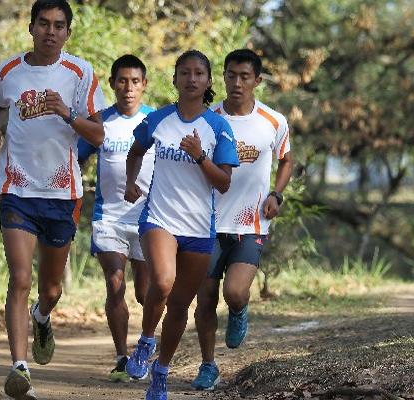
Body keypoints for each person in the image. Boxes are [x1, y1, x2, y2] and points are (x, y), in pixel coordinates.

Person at [0, 1, 106, 398]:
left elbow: (98, 135)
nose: (50, 32)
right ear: (31, 27)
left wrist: (67, 114)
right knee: (19, 278)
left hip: (61, 193)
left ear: (68, 32)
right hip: (17, 189)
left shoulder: (80, 72)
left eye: (58, 25)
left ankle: (42, 315)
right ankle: (19, 368)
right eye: (43, 24)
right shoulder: (7, 72)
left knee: (50, 289)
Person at [124, 50, 239, 400]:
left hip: (199, 229)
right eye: (184, 73)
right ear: (174, 79)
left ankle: (161, 371)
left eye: (199, 73)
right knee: (161, 281)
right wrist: (131, 183)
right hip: (159, 218)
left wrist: (200, 156)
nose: (191, 79)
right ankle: (145, 341)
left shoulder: (218, 127)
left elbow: (223, 182)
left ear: (208, 82)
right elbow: (135, 150)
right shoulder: (159, 119)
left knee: (179, 308)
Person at [191, 49, 293, 391]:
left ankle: (238, 309)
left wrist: (276, 194)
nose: (237, 83)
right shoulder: (208, 119)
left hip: (251, 225)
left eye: (245, 77)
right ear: (223, 77)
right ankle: (208, 365)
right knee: (204, 299)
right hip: (207, 223)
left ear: (257, 81)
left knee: (234, 292)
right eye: (231, 75)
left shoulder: (273, 121)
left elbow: (287, 160)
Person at [77, 54, 153, 382]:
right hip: (108, 218)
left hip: (149, 220)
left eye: (135, 81)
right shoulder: (100, 123)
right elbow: (75, 158)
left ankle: (147, 344)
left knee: (145, 293)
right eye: (122, 81)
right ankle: (122, 356)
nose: (128, 88)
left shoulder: (157, 121)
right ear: (112, 84)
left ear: (144, 85)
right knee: (115, 283)